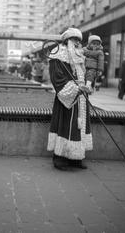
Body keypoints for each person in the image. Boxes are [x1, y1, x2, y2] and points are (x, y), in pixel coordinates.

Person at [47, 27, 92, 171]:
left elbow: (84, 75)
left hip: (81, 100)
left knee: (79, 128)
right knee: (66, 126)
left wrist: (87, 85)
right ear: (67, 41)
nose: (78, 43)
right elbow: (57, 78)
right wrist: (75, 89)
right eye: (74, 40)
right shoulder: (58, 55)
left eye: (79, 40)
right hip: (67, 99)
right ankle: (60, 158)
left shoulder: (80, 55)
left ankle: (76, 158)